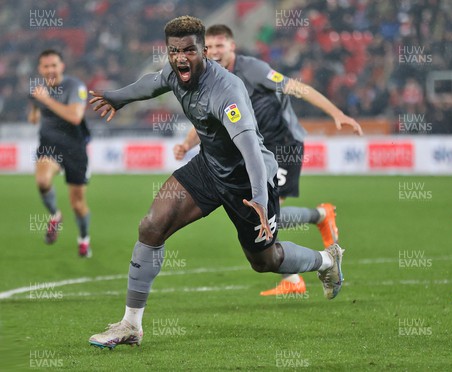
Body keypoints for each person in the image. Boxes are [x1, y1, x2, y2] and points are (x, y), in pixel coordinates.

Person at [87, 16, 344, 349]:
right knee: (151, 226)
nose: (181, 58)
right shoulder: (173, 72)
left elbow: (250, 148)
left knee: (266, 261)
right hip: (208, 167)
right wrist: (117, 98)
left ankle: (327, 260)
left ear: (203, 50)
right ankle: (130, 325)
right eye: (174, 51)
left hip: (246, 180)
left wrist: (260, 199)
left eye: (189, 50)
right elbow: (150, 83)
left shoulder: (227, 89)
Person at [171, 24, 361, 297]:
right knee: (264, 216)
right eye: (209, 47)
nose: (214, 51)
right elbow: (206, 120)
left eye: (220, 45)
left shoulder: (253, 70)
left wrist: (336, 113)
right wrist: (187, 144)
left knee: (269, 214)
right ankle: (316, 227)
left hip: (283, 144)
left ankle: (303, 259)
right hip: (258, 151)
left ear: (232, 46)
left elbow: (297, 88)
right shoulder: (211, 77)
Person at [28, 49, 92, 257]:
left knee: (78, 204)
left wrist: (46, 101)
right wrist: (36, 109)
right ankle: (55, 215)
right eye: (46, 66)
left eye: (54, 65)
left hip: (75, 148)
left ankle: (83, 238)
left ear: (62, 66)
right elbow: (34, 117)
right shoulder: (38, 91)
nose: (50, 69)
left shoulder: (75, 86)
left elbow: (75, 117)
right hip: (49, 146)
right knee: (42, 181)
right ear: (40, 69)